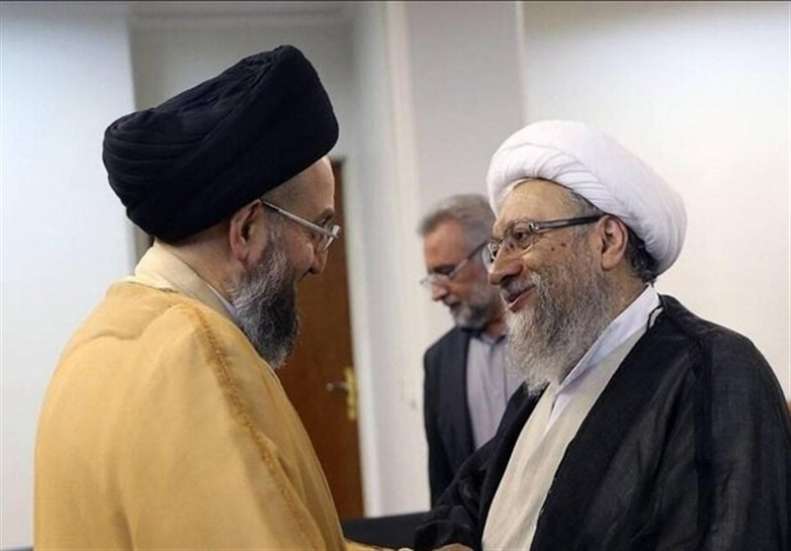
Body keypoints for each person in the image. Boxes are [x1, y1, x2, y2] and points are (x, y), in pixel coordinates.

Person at [36, 46, 361, 550]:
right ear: (247, 229)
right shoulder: (199, 358)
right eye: (317, 230)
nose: (319, 260)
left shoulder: (93, 342)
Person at [415, 121, 791, 550]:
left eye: (522, 237)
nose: (498, 270)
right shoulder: (542, 391)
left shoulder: (713, 372)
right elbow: (464, 501)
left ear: (608, 241)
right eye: (496, 248)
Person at [418, 195, 522, 505]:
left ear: (492, 254)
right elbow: (442, 484)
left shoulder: (558, 340)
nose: (437, 293)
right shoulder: (438, 362)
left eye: (446, 272)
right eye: (432, 278)